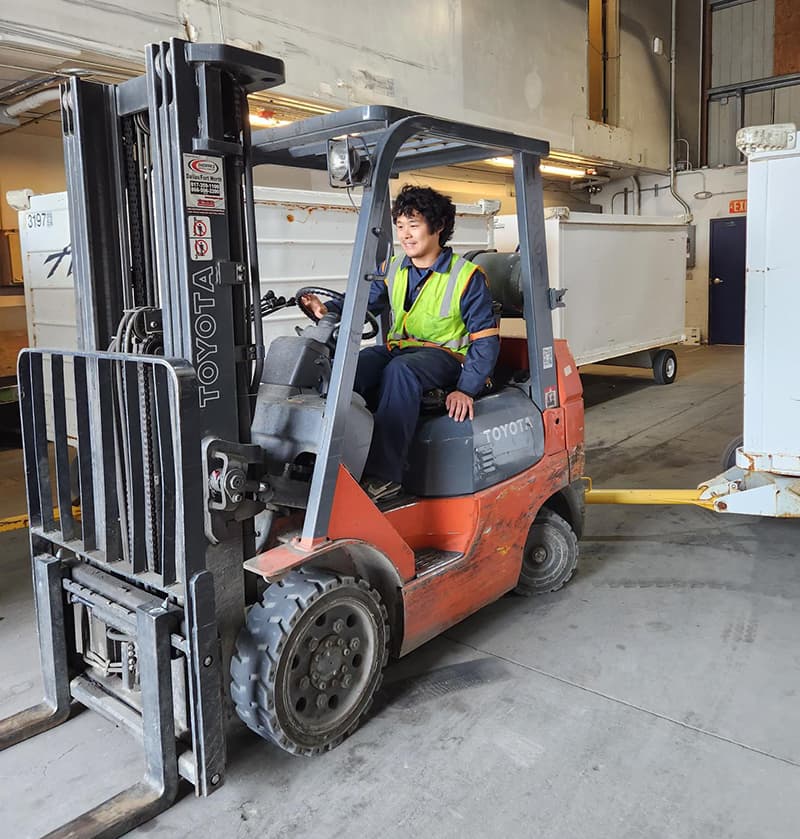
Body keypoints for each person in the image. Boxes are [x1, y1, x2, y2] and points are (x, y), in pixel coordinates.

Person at [301, 185, 499, 501]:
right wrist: (329, 311)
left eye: (414, 225)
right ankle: (330, 458)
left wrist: (467, 388)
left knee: (401, 371)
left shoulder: (466, 276)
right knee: (349, 367)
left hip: (446, 357)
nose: (406, 234)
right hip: (402, 349)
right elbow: (364, 303)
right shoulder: (394, 267)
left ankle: (385, 476)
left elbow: (485, 341)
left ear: (439, 226)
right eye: (401, 226)